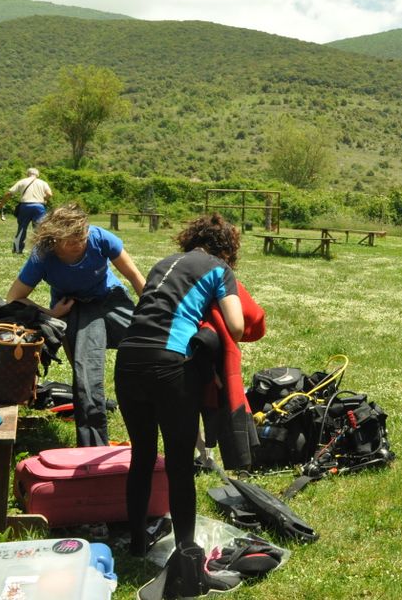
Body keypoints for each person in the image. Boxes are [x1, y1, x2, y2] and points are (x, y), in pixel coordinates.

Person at [114, 214, 257, 568]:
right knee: (179, 463)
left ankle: (136, 545)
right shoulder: (219, 269)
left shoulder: (163, 263)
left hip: (127, 360)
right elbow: (237, 326)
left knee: (142, 456)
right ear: (227, 249)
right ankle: (187, 553)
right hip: (170, 364)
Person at [5, 204, 144, 446]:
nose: (79, 243)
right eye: (71, 240)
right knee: (86, 376)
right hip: (75, 307)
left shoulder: (100, 238)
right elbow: (14, 297)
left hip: (111, 298)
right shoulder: (43, 255)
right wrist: (51, 313)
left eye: (82, 237)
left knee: (151, 343)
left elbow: (134, 276)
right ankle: (93, 447)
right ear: (55, 238)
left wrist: (153, 312)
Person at [0, 167, 53, 254]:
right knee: (39, 229)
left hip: (25, 206)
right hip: (39, 206)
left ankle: (17, 250)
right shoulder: (43, 183)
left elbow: (9, 193)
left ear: (27, 174)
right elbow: (49, 194)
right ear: (38, 175)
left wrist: (1, 203)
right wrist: (44, 199)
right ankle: (39, 251)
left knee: (22, 228)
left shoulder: (22, 181)